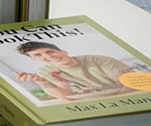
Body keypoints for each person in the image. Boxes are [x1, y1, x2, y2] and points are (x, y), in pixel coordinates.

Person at [12, 38, 141, 101]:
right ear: (35, 59)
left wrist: (101, 97)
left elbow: (129, 85)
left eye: (50, 51)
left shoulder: (99, 60)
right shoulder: (46, 72)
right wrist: (43, 82)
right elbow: (67, 96)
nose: (48, 57)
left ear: (63, 51)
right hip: (104, 100)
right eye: (38, 55)